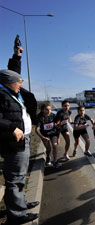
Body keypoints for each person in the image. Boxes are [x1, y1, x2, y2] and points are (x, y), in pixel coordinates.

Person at [0, 44, 39, 224]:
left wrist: (17, 56)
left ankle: (21, 203)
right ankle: (17, 215)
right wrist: (11, 128)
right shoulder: (2, 94)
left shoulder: (12, 91)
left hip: (24, 139)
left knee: (20, 176)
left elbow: (13, 72)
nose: (21, 83)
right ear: (9, 83)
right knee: (15, 178)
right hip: (13, 142)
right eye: (19, 81)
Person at [36, 103, 61, 168]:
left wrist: (58, 136)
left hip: (53, 133)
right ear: (42, 110)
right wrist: (43, 137)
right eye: (47, 109)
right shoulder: (39, 117)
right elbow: (37, 130)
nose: (49, 111)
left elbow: (58, 127)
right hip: (45, 135)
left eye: (50, 109)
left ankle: (55, 161)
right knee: (48, 149)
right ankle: (48, 157)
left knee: (55, 146)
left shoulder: (53, 115)